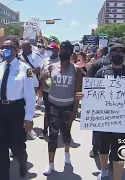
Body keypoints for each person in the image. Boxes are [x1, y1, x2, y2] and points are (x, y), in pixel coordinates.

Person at [77, 43, 125, 180]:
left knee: (121, 151)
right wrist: (85, 96)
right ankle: (104, 168)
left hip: (124, 121)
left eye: (121, 52)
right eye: (115, 52)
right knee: (103, 149)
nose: (118, 54)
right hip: (105, 120)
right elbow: (92, 91)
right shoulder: (102, 72)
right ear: (110, 54)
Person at [0, 36, 35, 180]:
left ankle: (22, 159)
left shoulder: (25, 69)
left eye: (9, 47)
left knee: (17, 146)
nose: (5, 50)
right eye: (3, 47)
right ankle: (3, 175)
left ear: (17, 50)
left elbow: (30, 96)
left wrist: (28, 118)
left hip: (16, 111)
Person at [42, 41, 82, 175]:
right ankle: (51, 164)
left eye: (66, 50)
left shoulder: (76, 70)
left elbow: (78, 92)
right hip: (53, 105)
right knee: (52, 136)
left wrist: (74, 111)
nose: (63, 52)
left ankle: (66, 153)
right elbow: (47, 87)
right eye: (62, 49)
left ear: (71, 53)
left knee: (66, 134)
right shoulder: (52, 67)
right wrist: (44, 79)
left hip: (68, 107)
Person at [39, 43, 60, 139]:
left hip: (57, 91)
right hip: (46, 90)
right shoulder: (45, 60)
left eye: (51, 49)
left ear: (56, 51)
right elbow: (41, 75)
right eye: (48, 49)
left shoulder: (61, 62)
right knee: (47, 111)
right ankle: (44, 131)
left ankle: (54, 130)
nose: (48, 51)